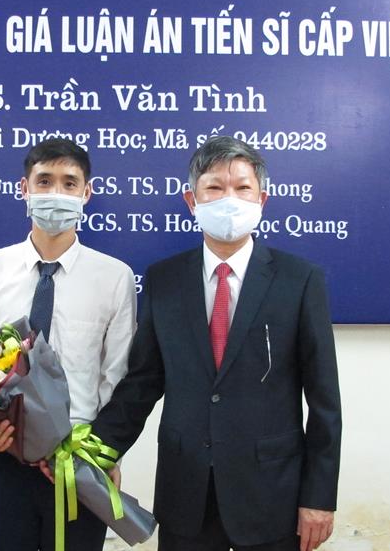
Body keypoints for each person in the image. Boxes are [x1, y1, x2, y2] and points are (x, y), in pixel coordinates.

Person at [91, 136, 342, 551]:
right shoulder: (164, 280)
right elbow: (142, 384)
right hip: (185, 493)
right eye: (214, 187)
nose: (230, 199)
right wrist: (95, 453)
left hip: (271, 495)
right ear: (192, 200)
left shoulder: (300, 280)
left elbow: (324, 401)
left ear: (262, 199)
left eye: (242, 188)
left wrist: (319, 497)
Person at [0, 138, 136, 551]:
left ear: (86, 193)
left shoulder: (115, 277)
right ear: (24, 189)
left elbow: (117, 376)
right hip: (0, 453)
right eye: (44, 181)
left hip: (78, 461)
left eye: (69, 183)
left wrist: (108, 454)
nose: (56, 193)